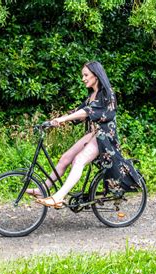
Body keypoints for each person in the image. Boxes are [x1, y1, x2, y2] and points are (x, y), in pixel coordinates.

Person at [28, 61, 141, 208]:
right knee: (65, 158)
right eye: (83, 75)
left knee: (79, 160)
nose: (83, 78)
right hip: (93, 134)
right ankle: (42, 190)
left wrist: (64, 119)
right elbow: (79, 112)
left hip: (104, 137)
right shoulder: (92, 95)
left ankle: (59, 197)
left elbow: (89, 111)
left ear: (96, 75)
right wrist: (54, 121)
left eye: (86, 75)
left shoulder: (107, 94)